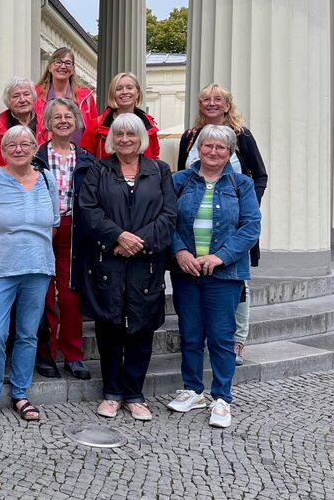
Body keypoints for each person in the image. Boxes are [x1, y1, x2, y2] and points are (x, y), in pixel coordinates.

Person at [74, 113, 176, 421]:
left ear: (141, 138)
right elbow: (88, 210)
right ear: (111, 139)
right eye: (119, 135)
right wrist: (118, 236)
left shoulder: (159, 171)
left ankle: (135, 394)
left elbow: (169, 215)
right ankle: (112, 393)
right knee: (110, 329)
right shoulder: (98, 170)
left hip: (146, 263)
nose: (125, 139)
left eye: (131, 134)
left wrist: (138, 241)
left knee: (141, 330)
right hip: (110, 261)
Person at [167, 125, 261, 429]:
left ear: (230, 153)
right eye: (208, 146)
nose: (213, 152)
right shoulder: (179, 181)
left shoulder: (242, 185)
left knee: (222, 336)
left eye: (221, 148)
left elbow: (251, 227)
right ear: (198, 149)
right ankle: (193, 389)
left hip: (225, 273)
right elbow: (165, 221)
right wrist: (180, 252)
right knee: (191, 333)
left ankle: (222, 397)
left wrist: (220, 257)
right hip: (187, 270)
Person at [177, 83, 267, 365]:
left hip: (232, 220)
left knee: (237, 285)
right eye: (206, 99)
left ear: (228, 104)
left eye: (218, 99)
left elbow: (260, 175)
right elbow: (184, 173)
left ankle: (237, 341)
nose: (212, 103)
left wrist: (244, 206)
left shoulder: (241, 135)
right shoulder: (191, 136)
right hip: (197, 217)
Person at [0, 126, 59, 426]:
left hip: (38, 268)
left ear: (36, 147)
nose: (19, 149)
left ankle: (21, 393)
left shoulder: (48, 180)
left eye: (26, 143)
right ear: (3, 149)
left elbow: (54, 223)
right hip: (0, 268)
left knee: (27, 333)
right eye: (12, 144)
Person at [34, 98, 95, 381]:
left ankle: (74, 355)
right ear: (47, 123)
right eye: (56, 116)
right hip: (42, 230)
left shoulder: (86, 159)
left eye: (68, 116)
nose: (62, 121)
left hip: (74, 230)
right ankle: (46, 354)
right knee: (44, 295)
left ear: (76, 122)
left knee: (71, 296)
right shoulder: (36, 158)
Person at [81, 73, 160, 159]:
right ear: (113, 94)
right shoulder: (96, 125)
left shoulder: (149, 125)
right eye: (119, 89)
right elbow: (86, 158)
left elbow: (154, 157)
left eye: (129, 88)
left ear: (137, 93)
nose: (125, 92)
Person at [33, 47, 98, 146]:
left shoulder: (86, 96)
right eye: (58, 62)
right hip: (44, 154)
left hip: (80, 156)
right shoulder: (36, 94)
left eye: (68, 63)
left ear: (72, 70)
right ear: (50, 67)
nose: (63, 66)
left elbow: (95, 129)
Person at [0, 77, 38, 172]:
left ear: (33, 98)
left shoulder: (48, 126)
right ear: (8, 102)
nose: (22, 100)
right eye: (16, 96)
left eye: (26, 94)